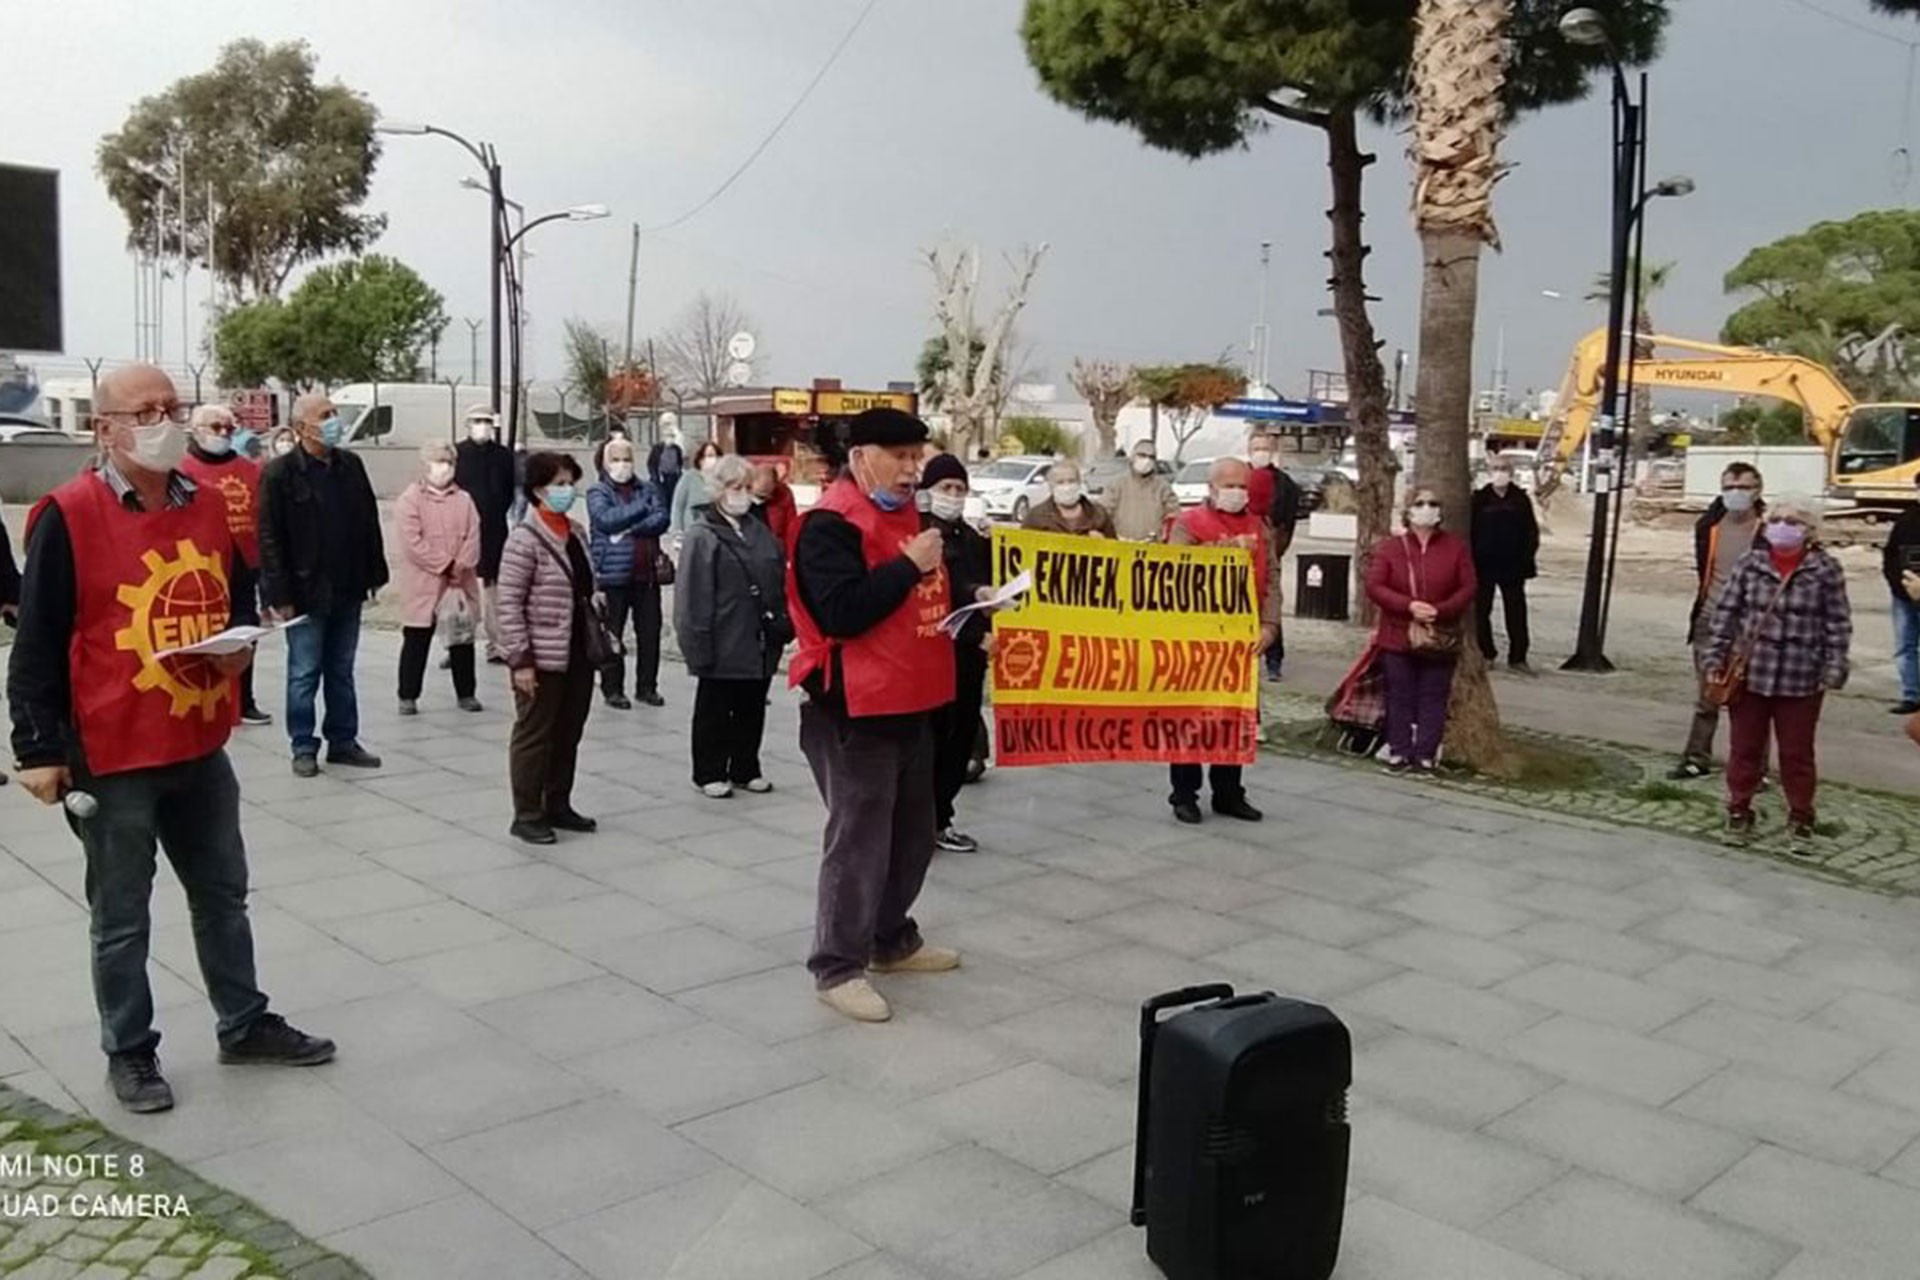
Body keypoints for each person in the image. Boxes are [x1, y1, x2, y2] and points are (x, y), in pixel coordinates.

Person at [6, 364, 334, 1114]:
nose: (162, 421)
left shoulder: (207, 503)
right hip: (112, 752)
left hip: (196, 739)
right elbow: (38, 641)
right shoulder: (68, 513)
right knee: (122, 916)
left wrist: (241, 648)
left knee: (223, 894)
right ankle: (130, 1050)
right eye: (143, 411)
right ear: (105, 428)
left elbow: (230, 592)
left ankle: (244, 1021)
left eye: (170, 407)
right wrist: (38, 748)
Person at [790, 407, 960, 1023]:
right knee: (858, 845)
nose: (914, 470)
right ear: (862, 456)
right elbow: (842, 612)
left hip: (913, 702)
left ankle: (891, 939)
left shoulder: (909, 517)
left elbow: (931, 593)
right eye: (902, 457)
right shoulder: (827, 527)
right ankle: (837, 965)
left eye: (918, 457)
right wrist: (908, 565)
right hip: (853, 711)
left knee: (914, 837)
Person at [1704, 496, 1851, 854]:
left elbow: (1837, 622)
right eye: (1778, 519)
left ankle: (1801, 816)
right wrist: (1714, 659)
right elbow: (1726, 614)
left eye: (1794, 521)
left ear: (1809, 530)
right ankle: (1739, 809)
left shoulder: (1825, 568)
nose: (1784, 526)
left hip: (1801, 676)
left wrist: (1835, 665)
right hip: (1752, 672)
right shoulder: (1750, 563)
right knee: (1745, 748)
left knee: (1797, 753)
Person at [258, 392, 388, 778]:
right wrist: (278, 594)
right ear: (301, 428)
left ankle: (343, 740)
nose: (335, 420)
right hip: (304, 590)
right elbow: (269, 536)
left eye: (334, 413)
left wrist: (374, 574)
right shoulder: (280, 473)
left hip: (347, 585)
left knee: (341, 669)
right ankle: (303, 744)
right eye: (326, 415)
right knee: (304, 671)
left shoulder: (351, 465)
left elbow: (368, 521)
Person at [1165, 458, 1284, 824]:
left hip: (1242, 640)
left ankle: (1229, 793)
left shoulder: (1260, 526)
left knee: (1234, 718)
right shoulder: (1189, 523)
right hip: (1196, 638)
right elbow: (1173, 570)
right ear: (1212, 488)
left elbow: (1273, 580)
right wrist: (1226, 549)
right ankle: (1184, 794)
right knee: (1191, 716)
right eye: (1229, 486)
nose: (1237, 493)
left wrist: (1270, 625)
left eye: (1243, 486)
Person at [497, 452, 599, 845]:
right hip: (541, 654)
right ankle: (527, 813)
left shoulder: (576, 532)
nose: (567, 490)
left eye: (570, 482)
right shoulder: (525, 539)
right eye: (559, 483)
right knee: (533, 733)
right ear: (538, 490)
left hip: (578, 650)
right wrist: (520, 659)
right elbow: (509, 601)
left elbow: (587, 584)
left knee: (568, 730)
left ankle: (558, 802)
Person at [677, 455, 790, 798]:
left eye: (745, 486)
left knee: (751, 704)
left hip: (757, 637)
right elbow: (691, 597)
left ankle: (745, 766)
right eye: (733, 487)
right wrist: (697, 645)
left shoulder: (759, 529)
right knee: (714, 706)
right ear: (718, 490)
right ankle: (709, 770)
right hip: (722, 635)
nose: (740, 494)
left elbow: (775, 574)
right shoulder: (703, 535)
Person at [1365, 484, 1478, 774]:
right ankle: (1399, 750)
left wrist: (1440, 610)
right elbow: (1375, 586)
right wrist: (1408, 606)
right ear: (1408, 510)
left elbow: (1468, 587)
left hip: (1439, 635)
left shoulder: (1455, 548)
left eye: (1432, 503)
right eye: (1420, 503)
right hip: (1397, 632)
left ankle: (1426, 753)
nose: (1426, 508)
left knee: (1433, 695)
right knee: (1399, 694)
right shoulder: (1391, 548)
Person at [1673, 463, 1766, 780]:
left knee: (1751, 701)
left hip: (1750, 625)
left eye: (1744, 487)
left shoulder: (1767, 530)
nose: (1736, 493)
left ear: (1758, 490)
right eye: (1729, 487)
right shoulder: (1709, 526)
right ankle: (1696, 757)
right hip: (1710, 619)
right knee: (1707, 696)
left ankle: (1754, 766)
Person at [920, 453, 994, 852]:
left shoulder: (969, 537)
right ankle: (924, 821)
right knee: (935, 741)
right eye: (945, 488)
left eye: (959, 489)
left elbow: (981, 586)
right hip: (938, 655)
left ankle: (940, 818)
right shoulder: (924, 537)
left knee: (960, 739)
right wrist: (972, 636)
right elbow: (940, 599)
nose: (952, 496)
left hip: (970, 659)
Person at [180, 404, 271, 724]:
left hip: (245, 562)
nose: (222, 434)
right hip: (202, 565)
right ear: (196, 429)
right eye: (215, 428)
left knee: (244, 632)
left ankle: (244, 699)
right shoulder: (182, 469)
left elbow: (263, 517)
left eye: (228, 429)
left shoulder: (250, 470)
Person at [394, 441, 483, 716]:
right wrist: (445, 565)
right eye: (438, 462)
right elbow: (413, 543)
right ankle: (408, 695)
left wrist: (461, 565)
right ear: (426, 465)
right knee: (416, 638)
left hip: (459, 582)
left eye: (449, 462)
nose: (444, 468)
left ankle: (466, 693)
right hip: (424, 582)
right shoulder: (410, 499)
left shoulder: (464, 500)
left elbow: (473, 536)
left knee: (461, 638)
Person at [588, 437, 670, 710]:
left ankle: (647, 687)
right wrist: (639, 510)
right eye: (616, 459)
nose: (622, 464)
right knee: (613, 634)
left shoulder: (647, 488)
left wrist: (630, 526)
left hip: (646, 574)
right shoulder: (597, 491)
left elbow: (661, 518)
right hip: (613, 575)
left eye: (626, 458)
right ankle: (613, 688)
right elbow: (606, 520)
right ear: (605, 462)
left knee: (650, 633)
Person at [455, 407, 516, 665]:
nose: (482, 426)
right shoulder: (458, 453)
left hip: (494, 529)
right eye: (477, 421)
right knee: (459, 589)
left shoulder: (503, 456)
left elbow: (508, 491)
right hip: (462, 530)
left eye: (486, 422)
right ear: (468, 424)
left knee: (494, 589)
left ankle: (497, 644)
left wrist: (495, 511)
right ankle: (456, 645)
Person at [1469, 459, 1541, 676]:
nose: (1500, 474)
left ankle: (1518, 657)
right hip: (1484, 565)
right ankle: (1487, 653)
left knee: (1516, 611)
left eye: (1504, 470)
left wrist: (1526, 557)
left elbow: (1531, 532)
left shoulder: (1520, 500)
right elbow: (1471, 531)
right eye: (1496, 469)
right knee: (1481, 611)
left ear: (1511, 473)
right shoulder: (1480, 499)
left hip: (1513, 566)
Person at [1246, 429, 1303, 681]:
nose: (1261, 453)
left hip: (1269, 552)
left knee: (1270, 607)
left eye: (1265, 448)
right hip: (1239, 552)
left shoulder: (1286, 485)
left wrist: (1273, 554)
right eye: (1256, 447)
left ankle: (1274, 661)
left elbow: (1287, 526)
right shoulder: (1240, 476)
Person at [1882, 475, 1920, 714]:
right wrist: (1899, 584)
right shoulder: (1906, 519)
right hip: (1903, 595)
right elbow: (1890, 555)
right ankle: (1911, 696)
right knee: (1905, 646)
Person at [1104, 439, 1179, 542]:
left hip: (1153, 549)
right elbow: (1103, 516)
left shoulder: (1163, 488)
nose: (1147, 460)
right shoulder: (1116, 485)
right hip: (1120, 547)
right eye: (1142, 455)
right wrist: (1114, 537)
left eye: (1151, 457)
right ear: (1132, 457)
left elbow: (1174, 518)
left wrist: (1161, 537)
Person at [1023, 459, 1116, 537]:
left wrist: (1103, 542)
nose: (1067, 487)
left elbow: (1116, 552)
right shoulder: (1036, 517)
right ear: (1050, 486)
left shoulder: (1099, 515)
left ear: (1079, 483)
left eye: (1071, 481)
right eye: (1060, 482)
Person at [671, 440, 722, 540]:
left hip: (716, 535)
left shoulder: (722, 479)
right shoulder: (689, 477)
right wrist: (677, 532)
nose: (713, 459)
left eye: (716, 456)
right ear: (701, 459)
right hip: (691, 533)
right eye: (709, 455)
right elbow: (678, 506)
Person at [750, 462, 800, 550]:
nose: (761, 501)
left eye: (767, 496)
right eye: (759, 496)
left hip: (775, 546)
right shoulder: (742, 494)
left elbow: (791, 526)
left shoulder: (784, 494)